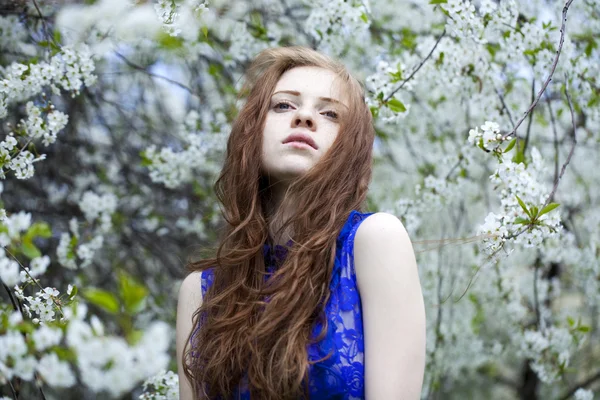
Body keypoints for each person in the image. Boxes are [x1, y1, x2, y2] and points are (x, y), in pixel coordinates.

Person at [176, 46, 426, 400]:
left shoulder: (375, 241)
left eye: (330, 113)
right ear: (252, 128)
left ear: (350, 147)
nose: (305, 118)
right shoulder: (200, 291)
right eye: (284, 105)